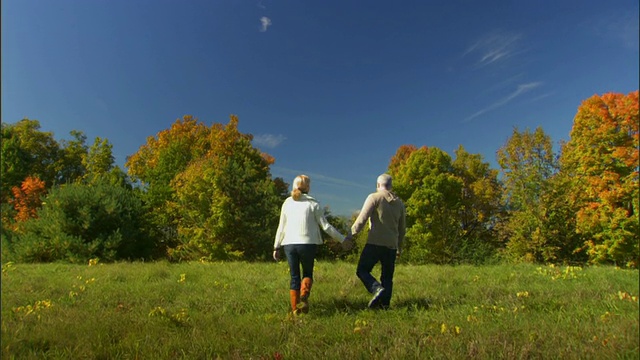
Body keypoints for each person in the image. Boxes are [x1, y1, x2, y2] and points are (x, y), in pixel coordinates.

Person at [273, 174, 348, 314]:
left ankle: (295, 310)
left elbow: (281, 227)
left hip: (289, 244)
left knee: (294, 276)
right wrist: (343, 239)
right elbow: (325, 226)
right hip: (307, 244)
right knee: (307, 272)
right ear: (308, 187)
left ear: (293, 186)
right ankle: (304, 295)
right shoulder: (313, 204)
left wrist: (276, 246)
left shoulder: (287, 203)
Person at [345, 173, 406, 309]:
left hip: (375, 243)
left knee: (362, 270)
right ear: (391, 185)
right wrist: (399, 248)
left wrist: (350, 235)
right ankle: (384, 306)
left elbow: (361, 219)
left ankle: (375, 288)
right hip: (391, 245)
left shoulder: (374, 197)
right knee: (387, 277)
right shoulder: (400, 203)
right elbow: (402, 229)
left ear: (378, 185)